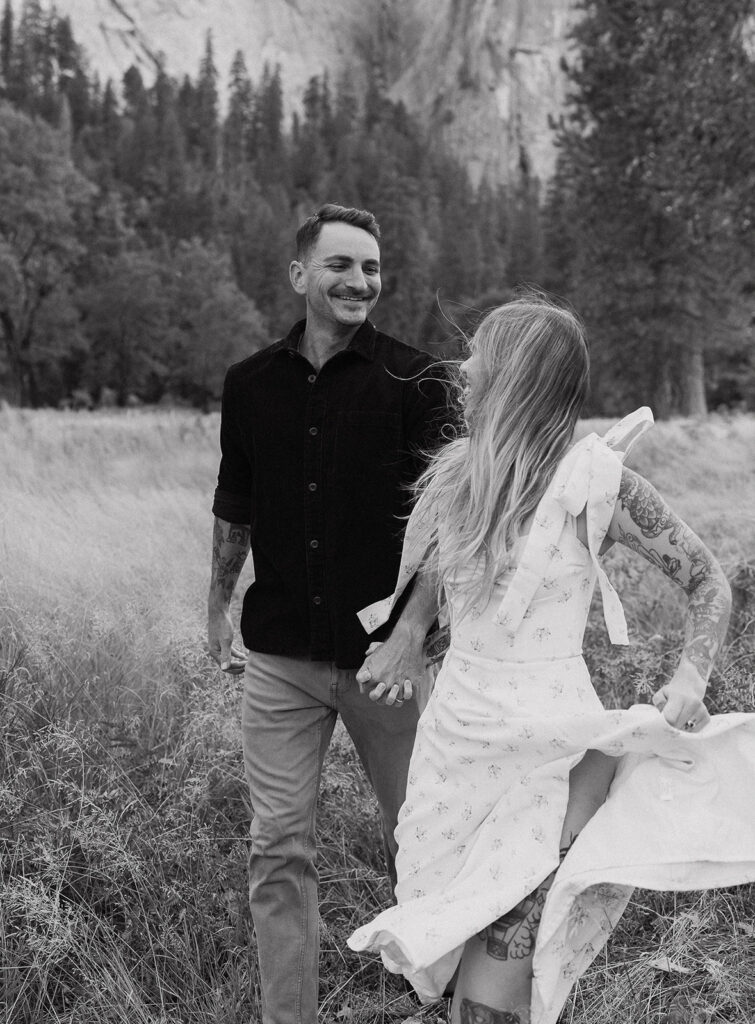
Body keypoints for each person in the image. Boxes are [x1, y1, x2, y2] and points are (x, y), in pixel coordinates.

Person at [348, 294, 755, 1024]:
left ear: (519, 378)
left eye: (481, 357)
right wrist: (407, 642)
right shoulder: (458, 480)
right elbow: (449, 600)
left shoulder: (596, 483)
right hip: (456, 745)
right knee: (455, 945)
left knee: (505, 967)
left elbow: (706, 582)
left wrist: (689, 674)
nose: (463, 369)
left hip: (548, 753)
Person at [206, 203, 449, 1024]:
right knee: (278, 848)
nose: (359, 282)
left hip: (387, 661)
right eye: (342, 265)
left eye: (372, 268)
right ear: (299, 275)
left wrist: (411, 637)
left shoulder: (419, 382)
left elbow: (450, 526)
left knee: (420, 842)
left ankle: (441, 998)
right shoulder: (249, 383)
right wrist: (216, 606)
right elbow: (235, 504)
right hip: (278, 654)